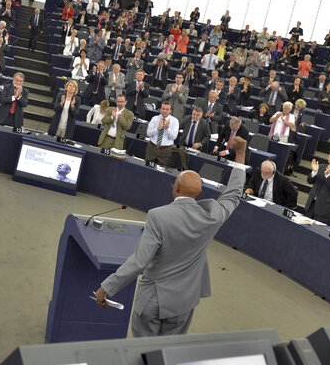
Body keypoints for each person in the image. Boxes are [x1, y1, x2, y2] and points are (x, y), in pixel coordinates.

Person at [95, 137, 247, 337]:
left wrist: (107, 287)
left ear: (175, 188)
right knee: (168, 352)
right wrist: (241, 154)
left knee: (143, 354)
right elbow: (234, 193)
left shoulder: (158, 216)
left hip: (153, 300)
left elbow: (139, 262)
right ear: (199, 192)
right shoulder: (213, 216)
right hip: (185, 302)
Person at [146, 101, 179, 166]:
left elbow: (174, 137)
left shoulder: (175, 121)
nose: (164, 111)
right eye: (163, 109)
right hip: (152, 148)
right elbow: (148, 133)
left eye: (167, 109)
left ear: (170, 111)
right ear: (160, 109)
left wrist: (167, 128)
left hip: (165, 150)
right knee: (147, 169)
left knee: (161, 171)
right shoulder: (154, 119)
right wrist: (158, 129)